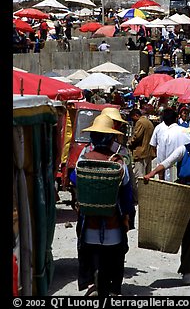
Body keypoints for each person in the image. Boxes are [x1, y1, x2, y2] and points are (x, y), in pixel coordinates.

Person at [144, 115, 190, 285]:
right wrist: (151, 174)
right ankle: (185, 269)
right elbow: (166, 163)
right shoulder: (184, 150)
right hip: (184, 194)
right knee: (188, 234)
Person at [75, 114, 134, 297]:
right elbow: (126, 195)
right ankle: (113, 288)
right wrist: (127, 217)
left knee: (90, 253)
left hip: (89, 224)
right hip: (112, 224)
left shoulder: (83, 159)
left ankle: (92, 282)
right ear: (110, 138)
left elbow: (75, 181)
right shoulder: (118, 162)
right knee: (115, 256)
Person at [127, 108, 155, 201]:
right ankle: (146, 197)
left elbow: (136, 137)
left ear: (136, 115)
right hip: (148, 153)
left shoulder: (140, 122)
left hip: (140, 153)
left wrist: (129, 143)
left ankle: (139, 198)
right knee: (147, 177)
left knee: (139, 178)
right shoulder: (149, 122)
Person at [159, 108, 190, 181]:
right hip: (185, 172)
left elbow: (161, 159)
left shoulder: (165, 135)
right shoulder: (186, 132)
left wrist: (161, 178)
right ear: (176, 119)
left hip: (169, 173)